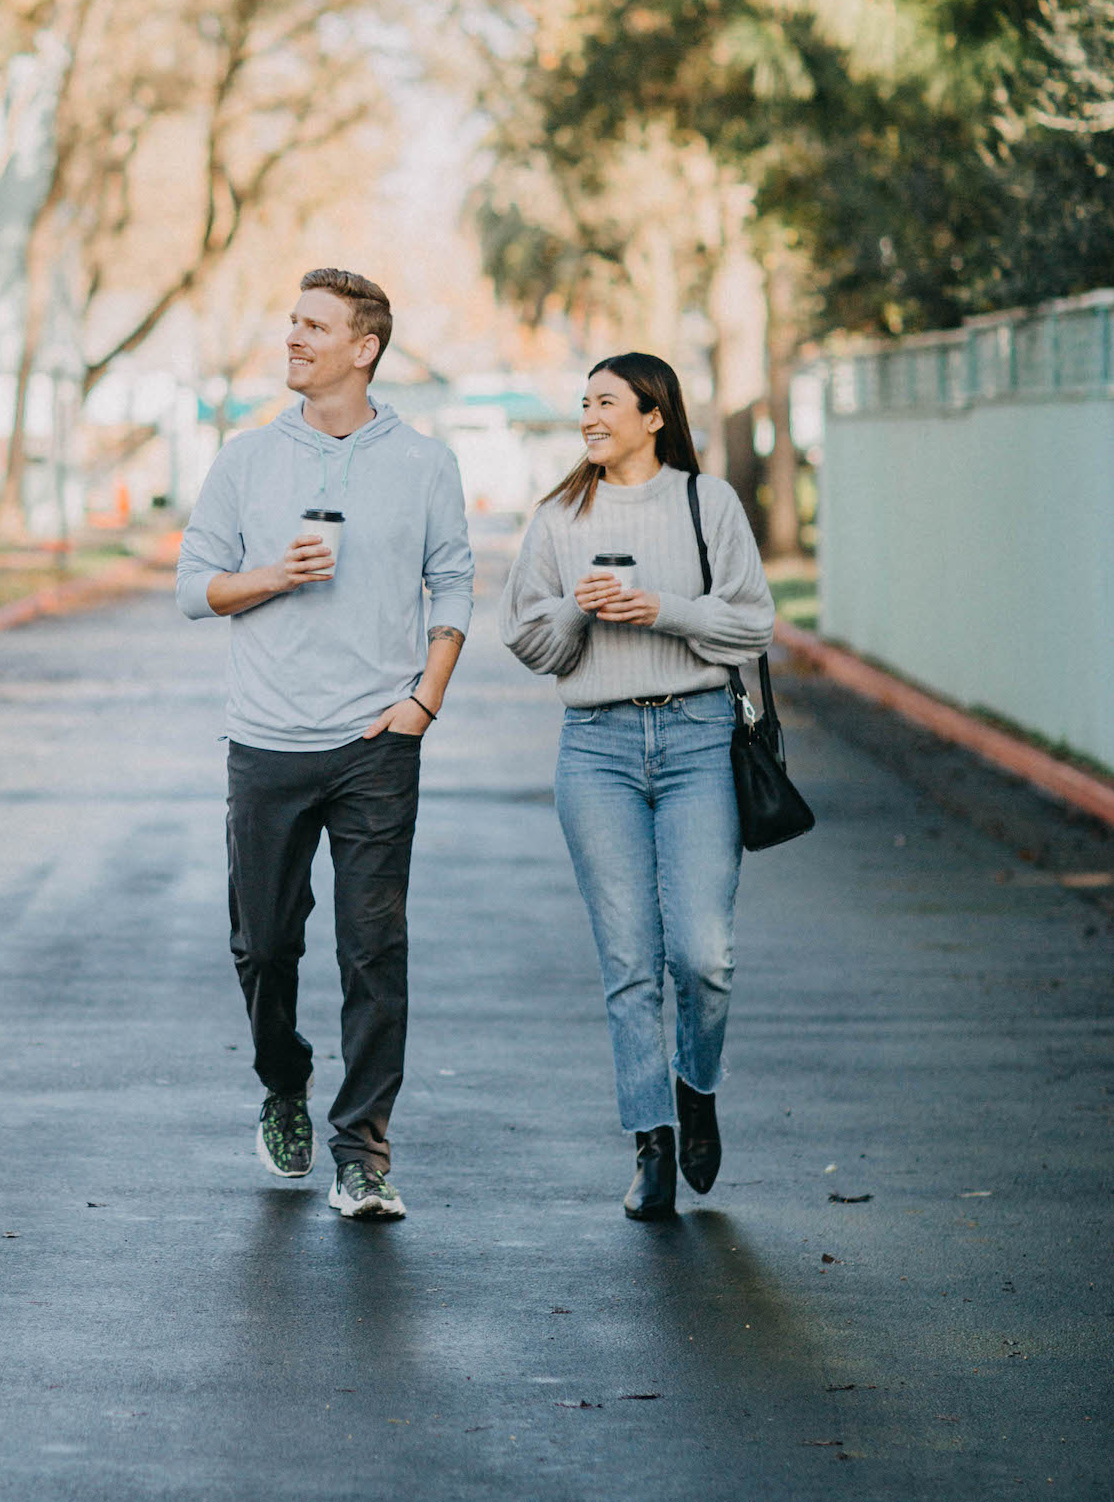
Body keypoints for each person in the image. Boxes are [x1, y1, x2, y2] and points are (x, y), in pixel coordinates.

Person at [176, 268, 474, 1222]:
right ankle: (283, 1080)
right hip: (265, 741)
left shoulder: (424, 462)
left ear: (365, 347)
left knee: (373, 953)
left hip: (374, 743)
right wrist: (270, 574)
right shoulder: (246, 459)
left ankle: (363, 1155)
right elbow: (194, 587)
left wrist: (422, 704)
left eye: (315, 326)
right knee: (263, 947)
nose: (295, 338)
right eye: (292, 322)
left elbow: (455, 587)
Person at [498, 353, 775, 1221]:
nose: (589, 415)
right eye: (583, 401)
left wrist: (661, 608)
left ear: (653, 415)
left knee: (704, 955)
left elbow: (753, 620)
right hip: (598, 749)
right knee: (628, 962)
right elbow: (528, 641)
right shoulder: (557, 516)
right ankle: (651, 1139)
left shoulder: (707, 502)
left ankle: (697, 1086)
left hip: (698, 741)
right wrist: (583, 607)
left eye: (606, 402)